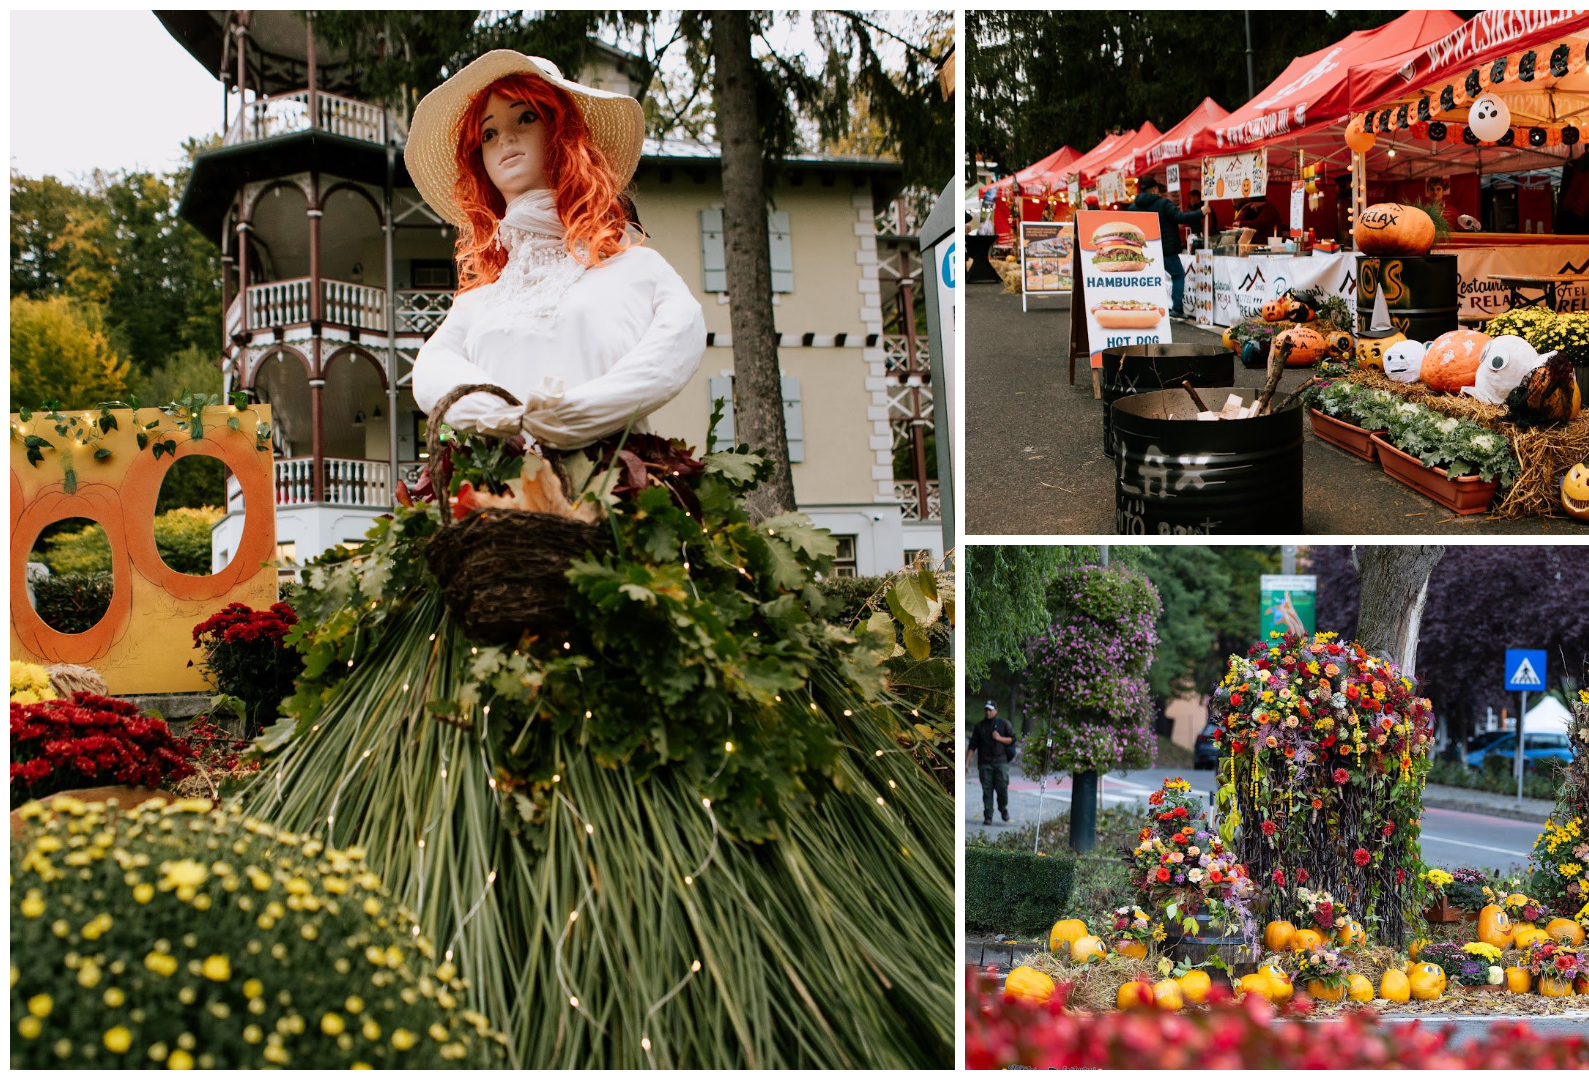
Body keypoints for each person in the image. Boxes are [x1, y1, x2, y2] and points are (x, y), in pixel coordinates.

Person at [242, 51, 952, 1070]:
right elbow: (436, 361)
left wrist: (590, 407)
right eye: (485, 136)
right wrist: (479, 404)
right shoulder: (481, 291)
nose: (502, 146)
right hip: (496, 513)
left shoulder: (623, 262)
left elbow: (676, 337)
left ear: (562, 134)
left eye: (520, 121)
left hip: (619, 500)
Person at [1130, 175, 1205, 318]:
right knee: (1177, 275)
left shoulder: (1133, 207)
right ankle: (1176, 309)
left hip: (1145, 250)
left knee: (1149, 279)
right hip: (1167, 249)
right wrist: (1200, 212)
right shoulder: (1163, 204)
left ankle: (1146, 306)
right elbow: (1180, 217)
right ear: (1154, 189)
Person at [968, 701, 1015, 825]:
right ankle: (988, 815)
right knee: (987, 790)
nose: (988, 712)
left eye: (990, 710)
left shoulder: (1004, 724)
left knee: (1002, 788)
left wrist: (999, 738)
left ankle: (1003, 808)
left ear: (996, 711)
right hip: (985, 763)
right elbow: (973, 745)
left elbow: (1012, 739)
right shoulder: (980, 727)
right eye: (986, 710)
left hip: (1001, 761)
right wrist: (966, 763)